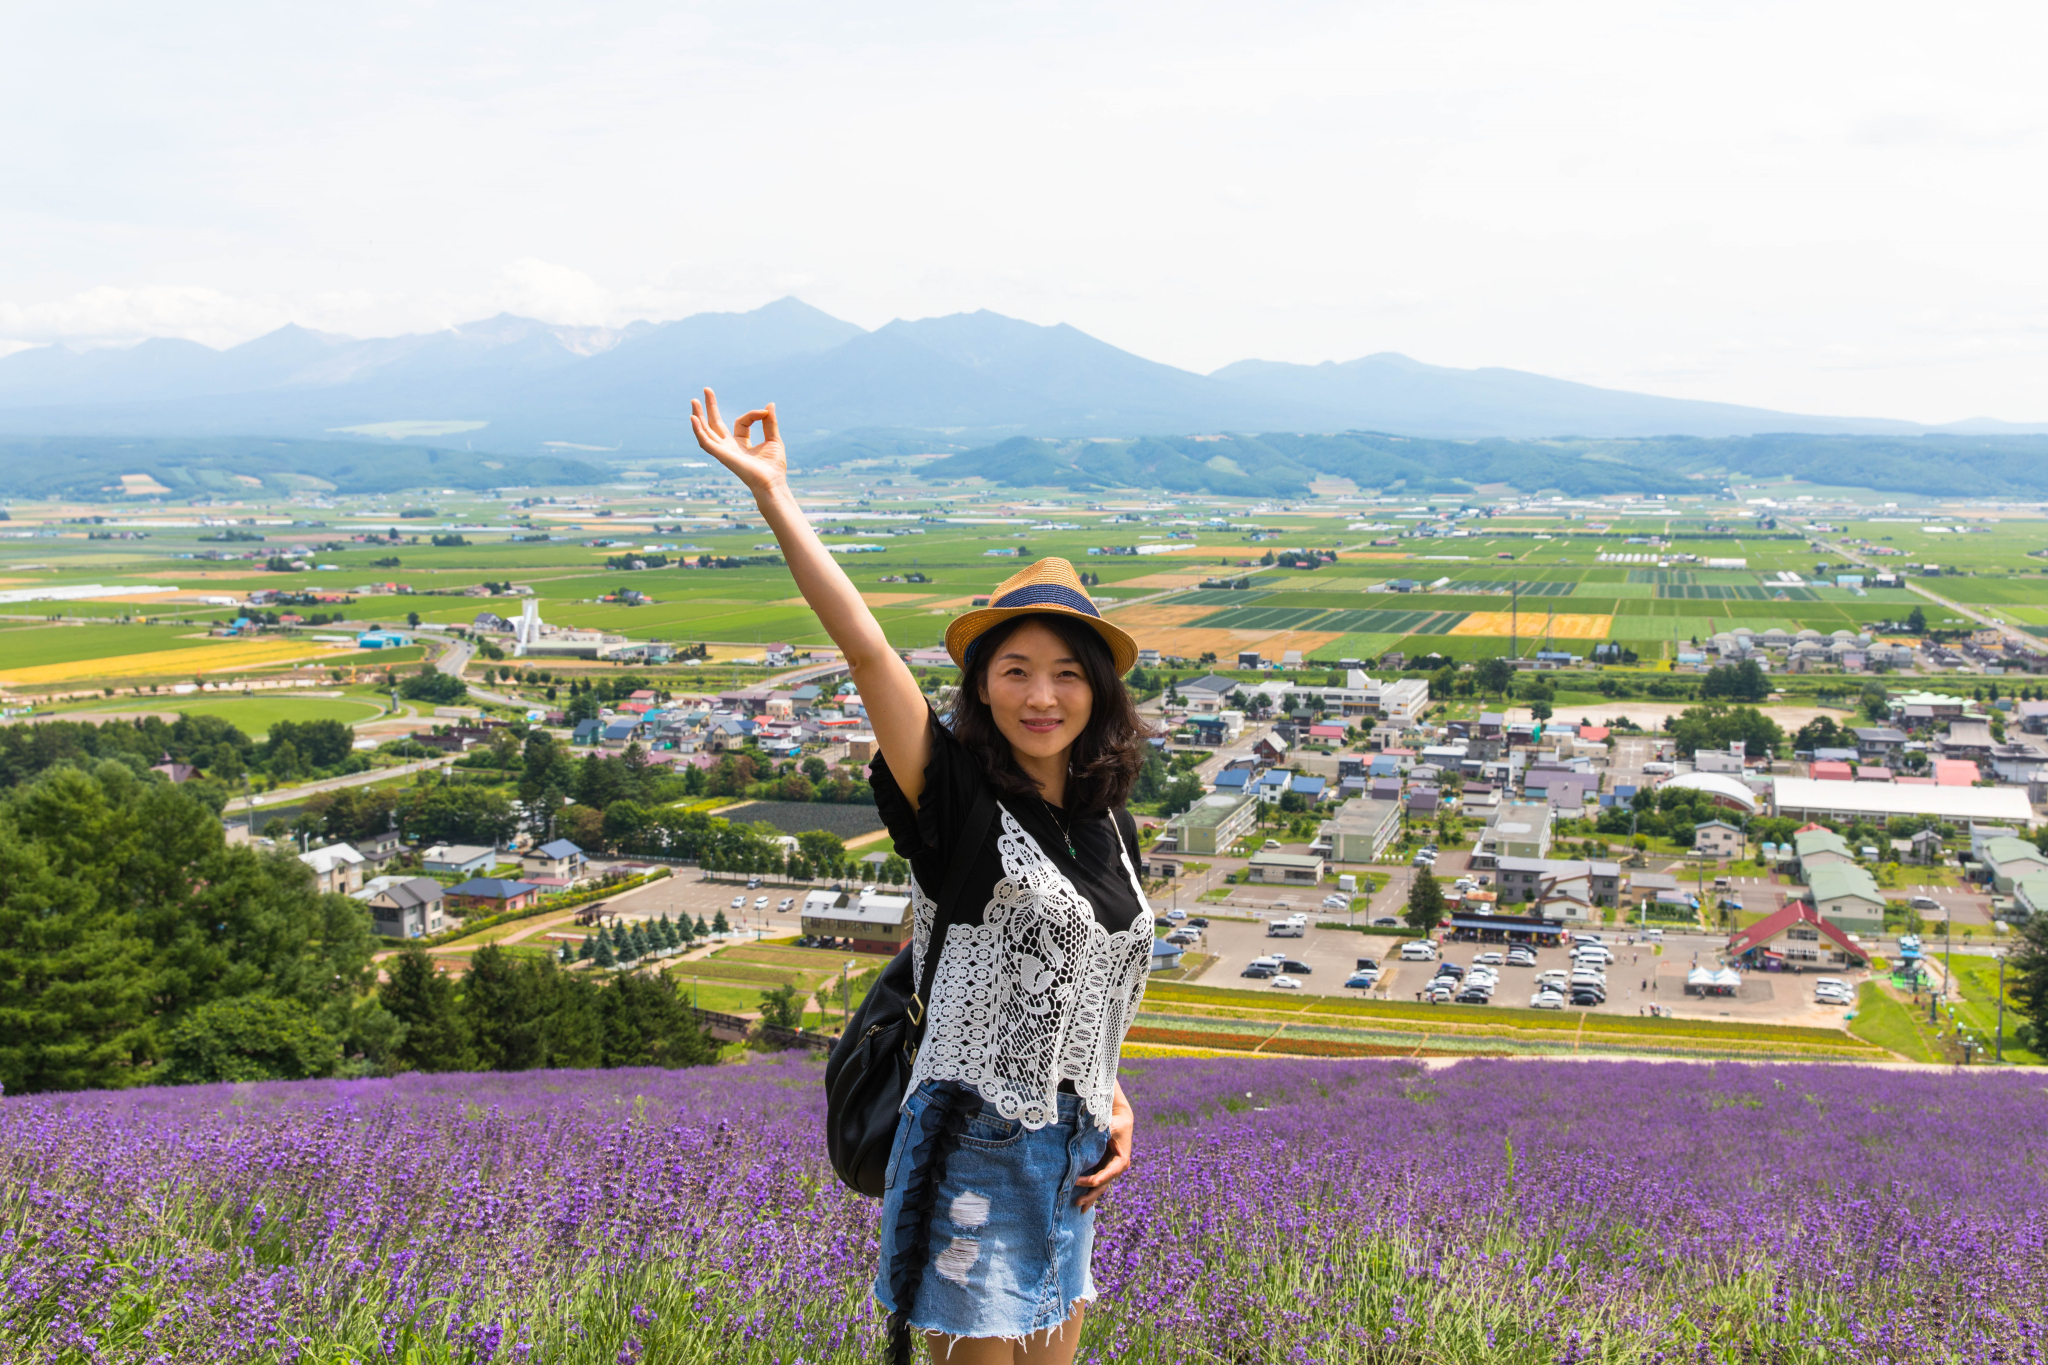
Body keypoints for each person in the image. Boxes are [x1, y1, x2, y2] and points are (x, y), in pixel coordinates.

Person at [692, 390, 1147, 1365]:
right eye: (1015, 668)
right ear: (980, 684)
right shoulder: (955, 804)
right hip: (971, 1150)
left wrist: (1110, 1095)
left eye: (1066, 673)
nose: (1041, 694)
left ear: (1096, 692)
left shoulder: (1109, 823)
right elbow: (865, 651)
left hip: (1074, 1155)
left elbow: (1092, 982)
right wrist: (776, 498)